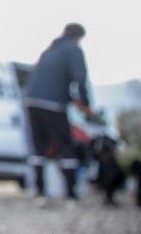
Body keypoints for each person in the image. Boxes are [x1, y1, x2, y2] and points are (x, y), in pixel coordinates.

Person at [26, 23, 95, 202]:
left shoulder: (49, 50)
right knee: (66, 147)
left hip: (31, 101)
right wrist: (85, 104)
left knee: (38, 148)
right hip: (54, 104)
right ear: (79, 37)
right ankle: (71, 194)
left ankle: (40, 193)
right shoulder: (73, 50)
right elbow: (80, 78)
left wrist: (73, 99)